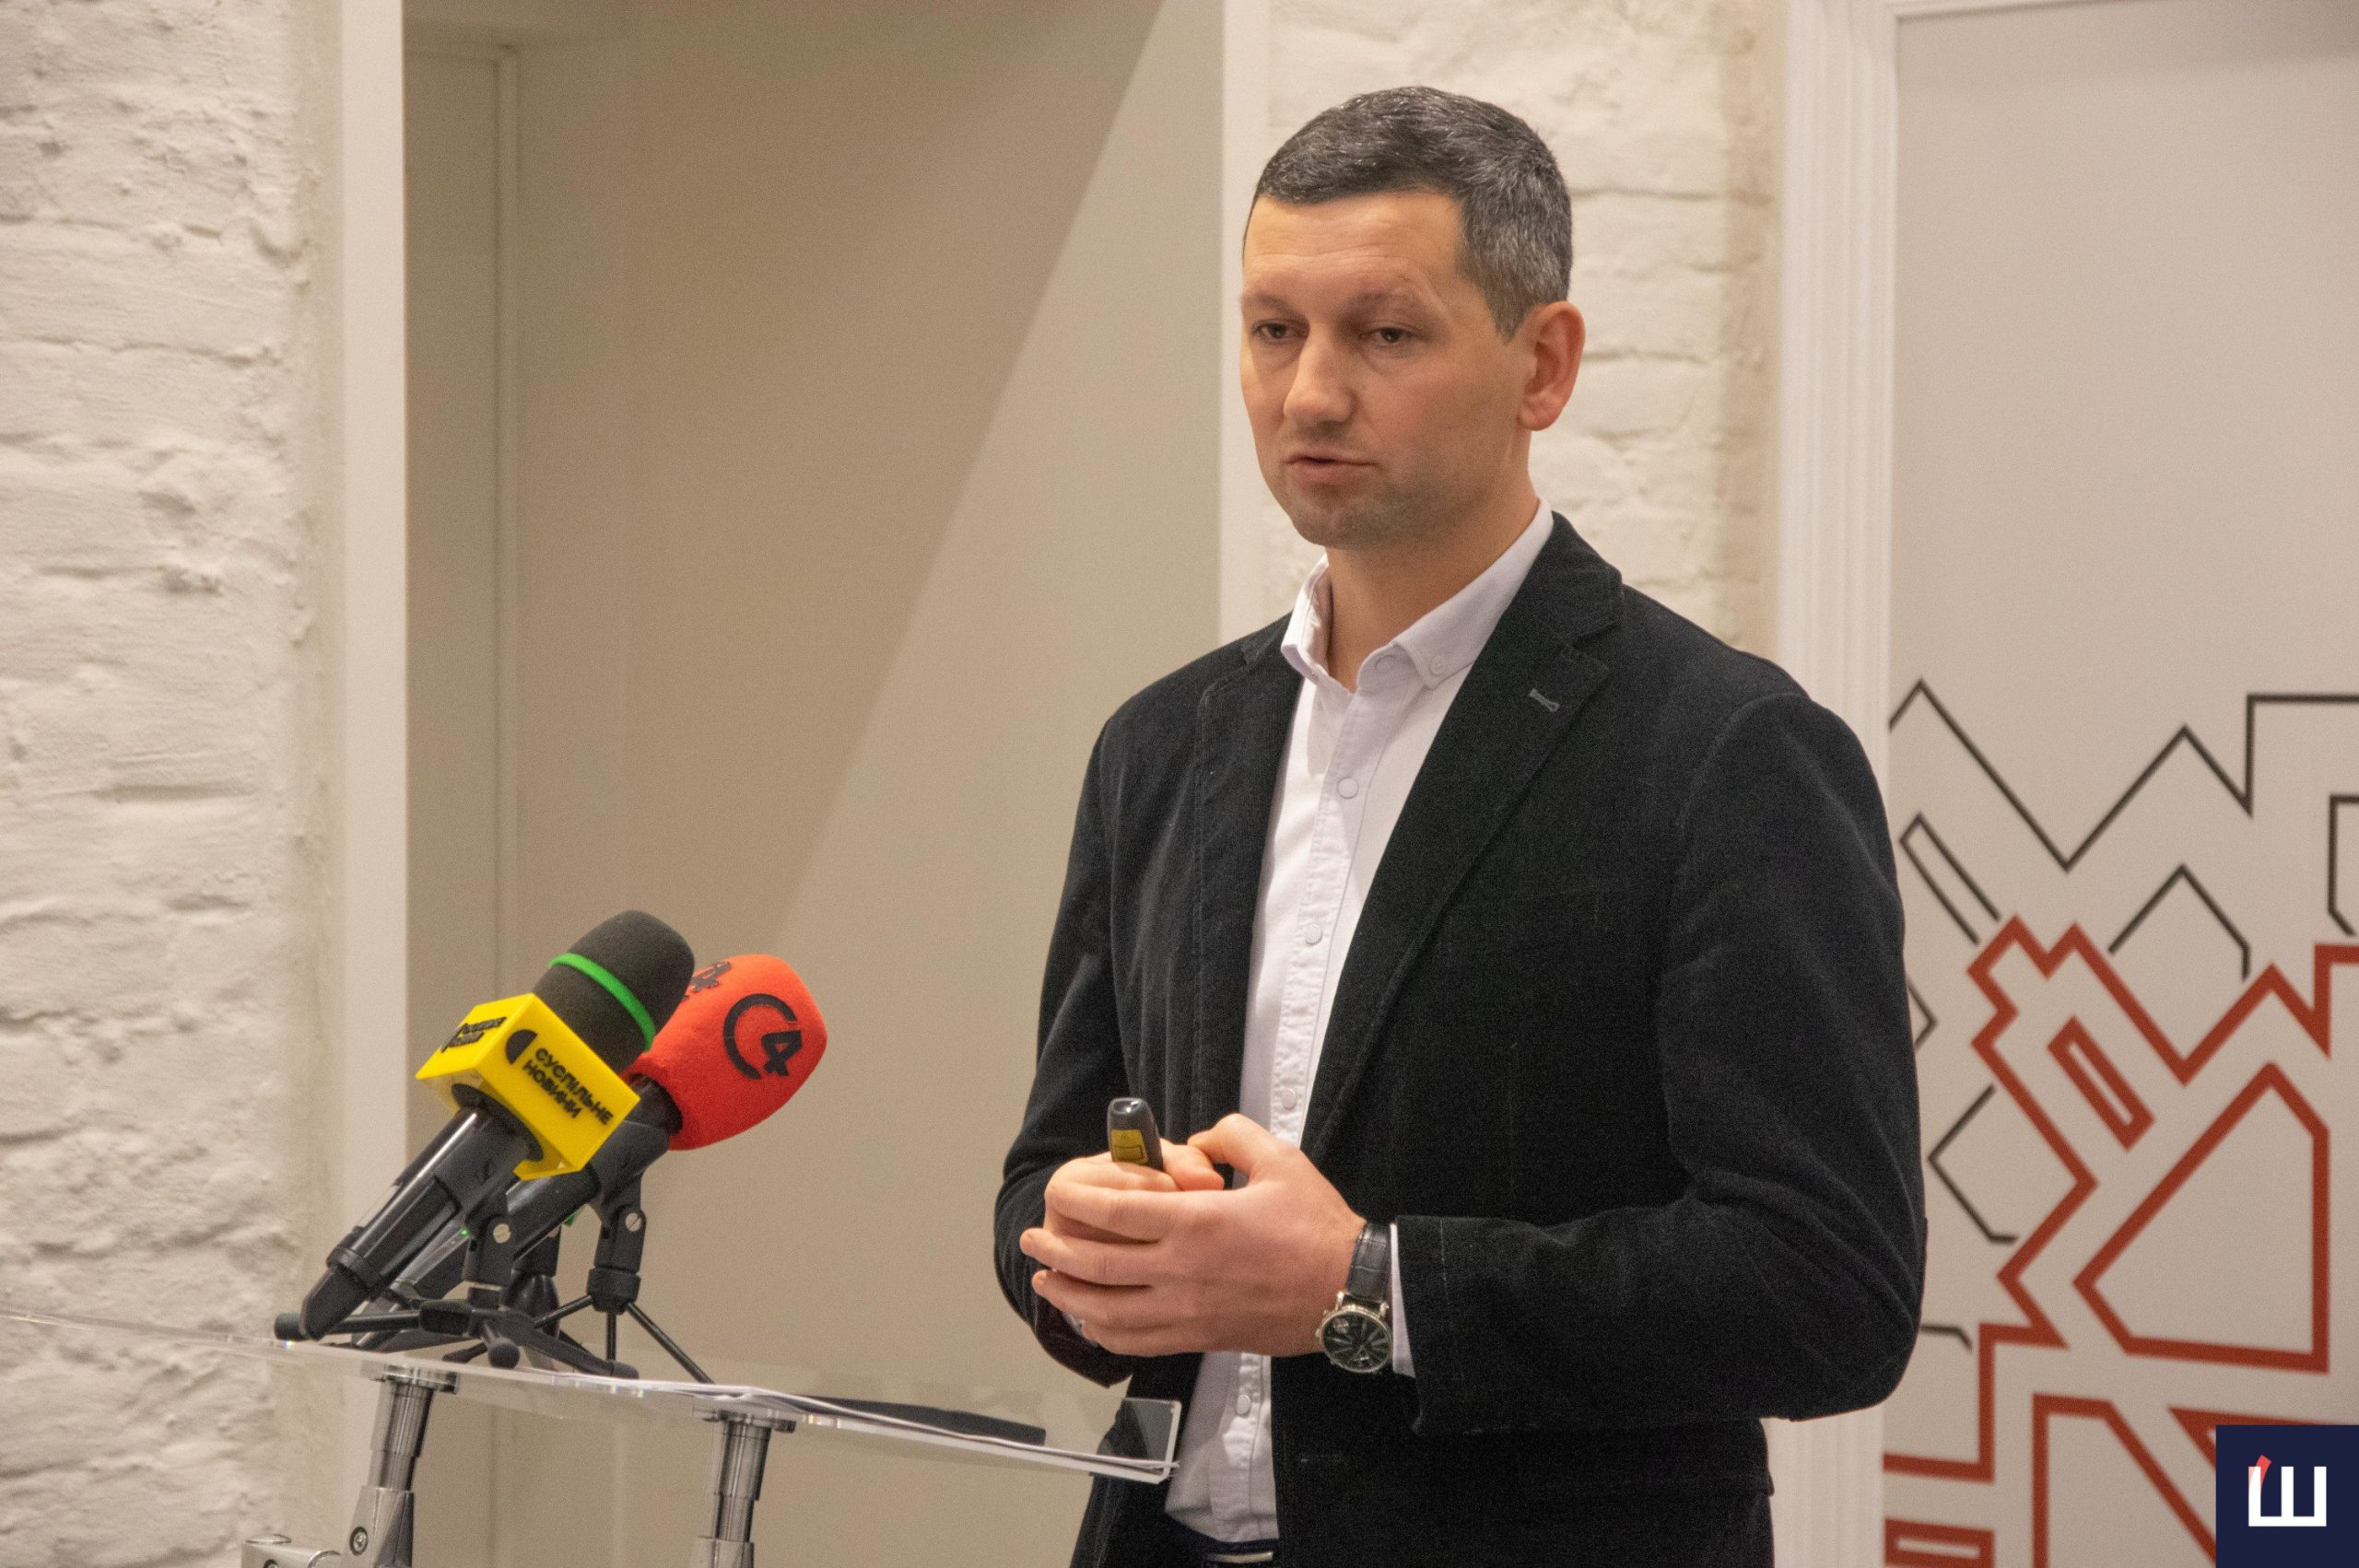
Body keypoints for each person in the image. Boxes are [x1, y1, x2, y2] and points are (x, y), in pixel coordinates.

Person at [993, 86, 1923, 1568]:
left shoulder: (1725, 751)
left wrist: (1367, 1286)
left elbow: (1829, 1286)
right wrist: (1084, 1234)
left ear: (1542, 364)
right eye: (1273, 329)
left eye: (1385, 334)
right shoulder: (1164, 744)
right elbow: (1041, 1176)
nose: (1309, 394)